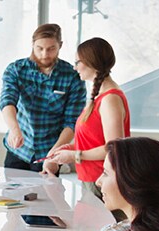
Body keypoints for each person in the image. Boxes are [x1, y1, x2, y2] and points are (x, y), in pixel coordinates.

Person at [43, 37, 130, 221]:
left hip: (101, 181)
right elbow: (93, 140)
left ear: (92, 63)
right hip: (91, 180)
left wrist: (74, 156)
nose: (75, 68)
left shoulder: (110, 99)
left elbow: (113, 148)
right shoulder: (99, 97)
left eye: (77, 62)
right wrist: (66, 150)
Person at [0, 24, 86, 172]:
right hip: (19, 150)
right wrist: (14, 129)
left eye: (51, 48)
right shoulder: (15, 69)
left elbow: (72, 122)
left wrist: (53, 154)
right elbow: (7, 101)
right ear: (32, 44)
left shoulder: (73, 77)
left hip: (49, 151)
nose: (45, 54)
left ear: (60, 45)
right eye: (39, 48)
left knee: (46, 195)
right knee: (11, 195)